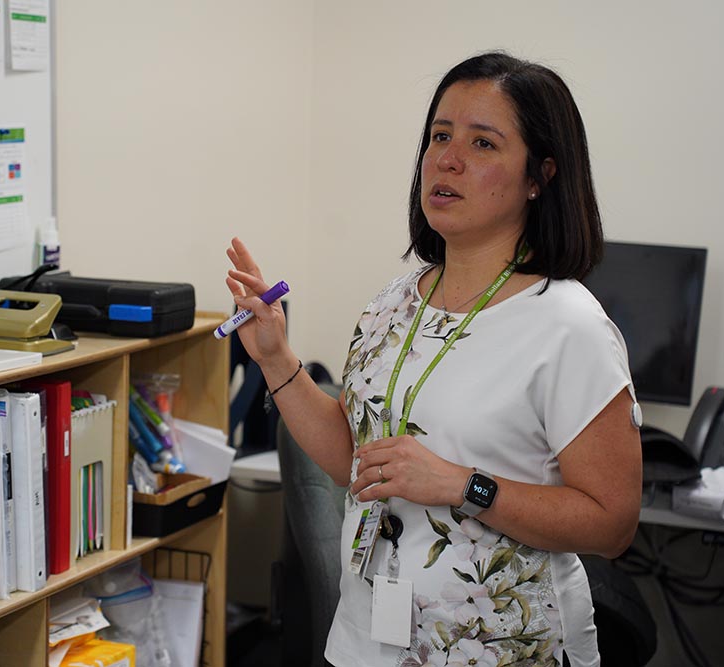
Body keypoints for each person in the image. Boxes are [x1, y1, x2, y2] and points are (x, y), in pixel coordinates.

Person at [224, 51, 642, 667]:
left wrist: (460, 485)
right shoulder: (396, 301)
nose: (448, 159)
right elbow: (353, 461)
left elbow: (612, 523)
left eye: (483, 143)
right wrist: (274, 355)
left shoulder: (569, 326)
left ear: (540, 176)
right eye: (440, 136)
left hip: (501, 648)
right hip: (367, 638)